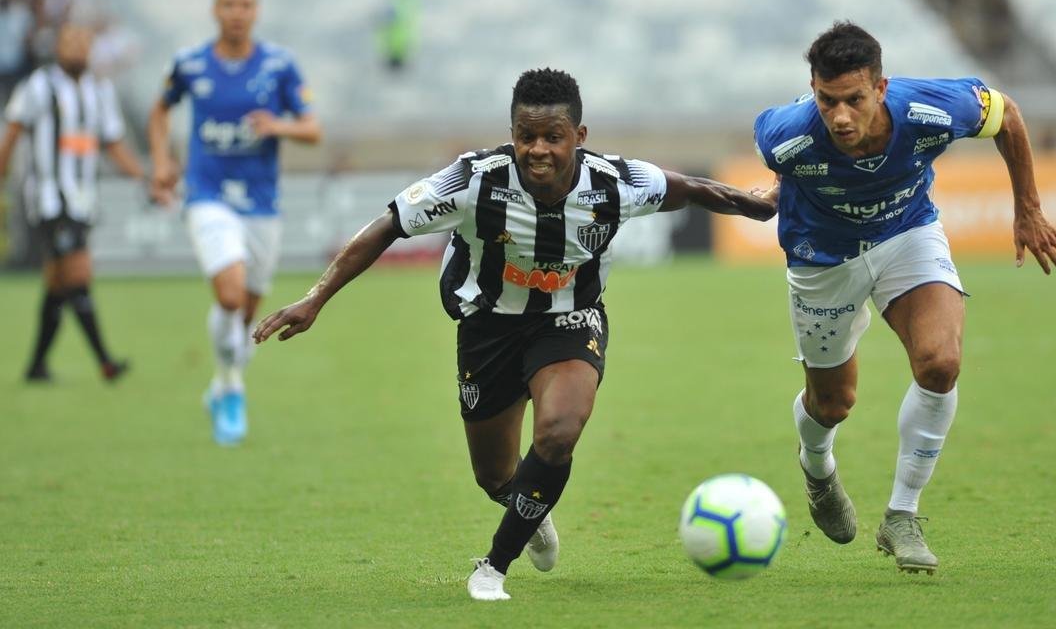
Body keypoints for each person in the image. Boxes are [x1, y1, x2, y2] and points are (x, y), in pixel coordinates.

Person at [252, 68, 776, 601]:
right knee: (495, 475)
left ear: (580, 136)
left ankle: (493, 566)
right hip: (488, 326)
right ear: (512, 134)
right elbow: (389, 224)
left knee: (558, 432)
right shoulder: (473, 180)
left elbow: (692, 188)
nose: (538, 150)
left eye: (553, 137)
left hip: (569, 319)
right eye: (527, 136)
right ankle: (529, 506)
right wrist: (315, 298)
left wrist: (758, 205)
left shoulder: (615, 182)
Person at [753, 22, 1056, 574]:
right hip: (822, 258)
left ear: (881, 88)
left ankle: (902, 514)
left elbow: (1008, 115)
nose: (841, 117)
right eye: (827, 102)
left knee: (941, 363)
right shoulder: (783, 132)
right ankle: (817, 465)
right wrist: (777, 192)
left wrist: (1028, 209)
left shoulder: (932, 107)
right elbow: (786, 167)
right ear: (812, 90)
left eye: (854, 100)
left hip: (907, 234)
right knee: (833, 403)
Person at [147, 0, 321, 445]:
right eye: (229, 4)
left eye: (245, 5)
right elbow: (160, 110)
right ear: (215, 9)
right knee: (228, 294)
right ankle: (233, 391)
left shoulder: (279, 66)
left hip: (262, 206)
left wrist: (278, 127)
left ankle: (222, 383)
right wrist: (163, 161)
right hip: (206, 196)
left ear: (256, 10)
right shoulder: (189, 63)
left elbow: (312, 128)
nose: (237, 13)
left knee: (245, 318)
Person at [0, 22, 145, 382]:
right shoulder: (38, 86)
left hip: (83, 199)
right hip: (50, 200)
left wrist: (145, 178)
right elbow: (13, 132)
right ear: (57, 47)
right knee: (78, 275)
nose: (77, 49)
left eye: (84, 42)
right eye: (70, 42)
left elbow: (112, 142)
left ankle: (36, 366)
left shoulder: (100, 90)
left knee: (57, 283)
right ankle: (105, 361)